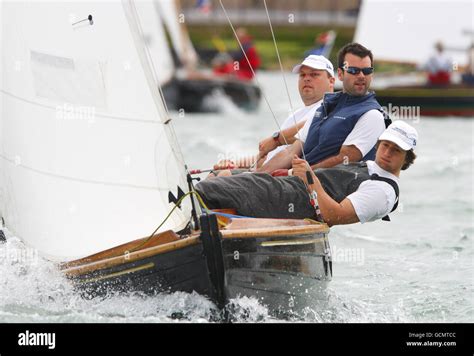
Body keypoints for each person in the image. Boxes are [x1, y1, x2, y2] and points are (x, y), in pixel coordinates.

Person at [195, 120, 418, 227]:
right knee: (219, 174)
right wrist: (292, 170)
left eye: (396, 150)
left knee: (208, 189)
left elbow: (334, 216)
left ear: (407, 158)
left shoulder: (383, 192)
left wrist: (309, 177)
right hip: (287, 188)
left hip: (292, 202)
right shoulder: (369, 166)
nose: (387, 152)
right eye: (385, 145)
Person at [256, 42, 387, 175]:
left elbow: (345, 159)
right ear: (340, 74)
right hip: (297, 179)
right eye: (353, 71)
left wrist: (292, 172)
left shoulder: (372, 115)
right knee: (243, 180)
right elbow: (291, 152)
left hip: (327, 186)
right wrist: (258, 175)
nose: (361, 76)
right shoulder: (325, 107)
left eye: (366, 71)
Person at [212, 55, 335, 174]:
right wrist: (235, 163)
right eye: (302, 75)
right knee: (218, 173)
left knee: (223, 176)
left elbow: (313, 125)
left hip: (284, 178)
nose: (306, 78)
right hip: (265, 171)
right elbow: (265, 157)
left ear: (331, 81)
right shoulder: (295, 115)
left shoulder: (330, 108)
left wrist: (276, 139)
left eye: (314, 74)